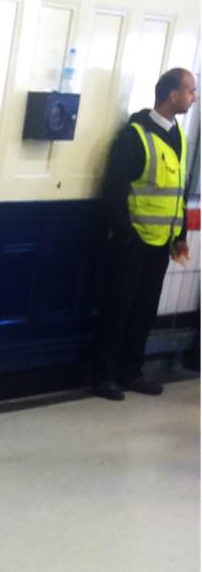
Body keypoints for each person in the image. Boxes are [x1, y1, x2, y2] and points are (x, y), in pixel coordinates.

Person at [92, 67, 196, 401]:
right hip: (134, 240)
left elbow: (176, 190)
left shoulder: (178, 134)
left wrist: (179, 235)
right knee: (118, 308)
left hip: (161, 242)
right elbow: (114, 187)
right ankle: (105, 375)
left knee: (144, 309)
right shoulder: (135, 135)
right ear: (172, 95)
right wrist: (124, 233)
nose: (193, 97)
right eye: (190, 91)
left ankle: (131, 371)